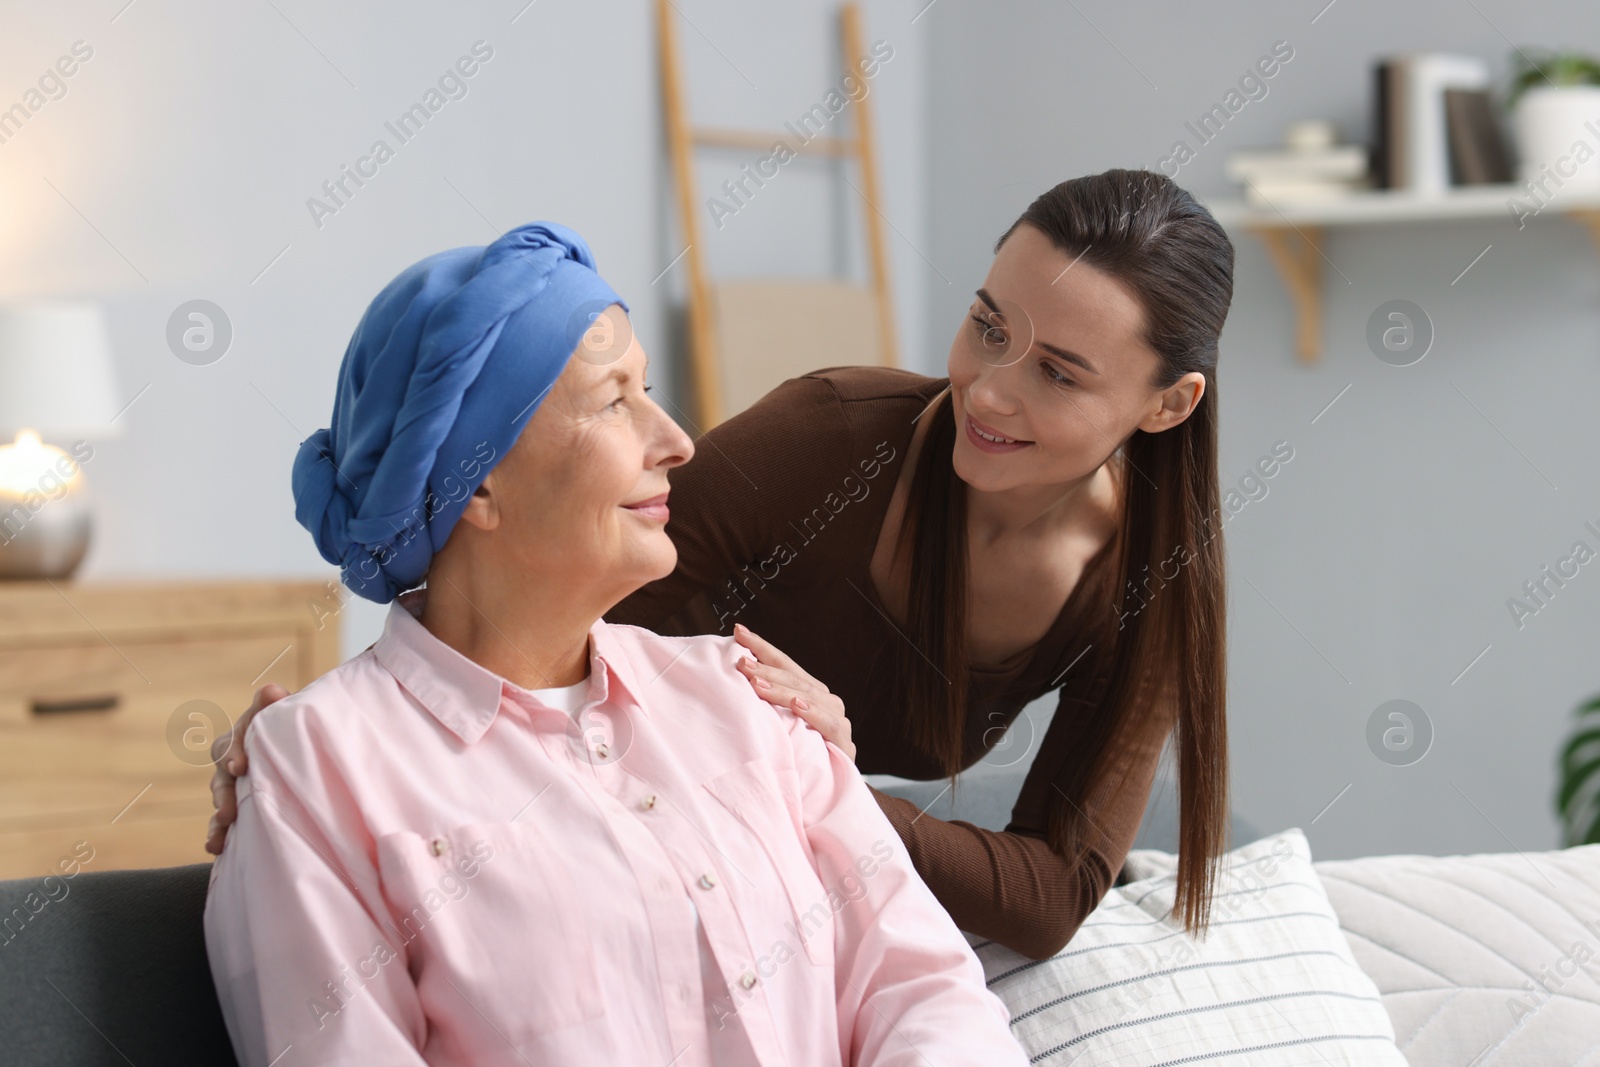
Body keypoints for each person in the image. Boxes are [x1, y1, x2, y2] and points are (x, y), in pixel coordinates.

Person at [210, 168, 1236, 959]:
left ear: (1166, 403)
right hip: (605, 826)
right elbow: (526, 581)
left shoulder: (1147, 584)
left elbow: (1054, 893)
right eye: (986, 325)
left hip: (762, 859)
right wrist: (321, 752)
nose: (989, 391)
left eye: (1056, 371)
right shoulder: (833, 438)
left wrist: (818, 788)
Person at [202, 221, 1029, 1067]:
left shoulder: (749, 695)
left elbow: (927, 991)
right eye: (614, 400)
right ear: (474, 483)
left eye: (650, 390)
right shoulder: (319, 770)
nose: (677, 441)